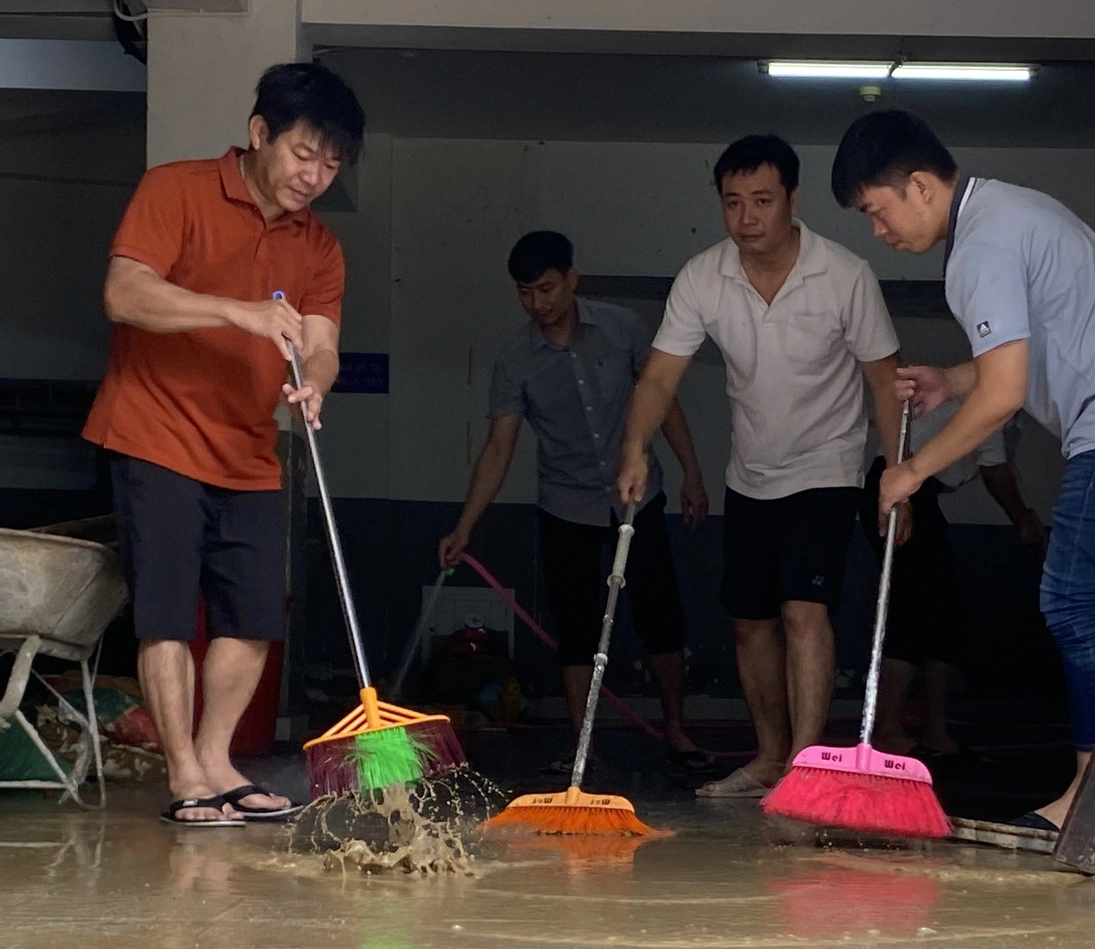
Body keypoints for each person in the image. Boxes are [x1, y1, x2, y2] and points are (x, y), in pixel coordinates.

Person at [832, 109, 1095, 833]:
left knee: (1074, 601)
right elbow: (1027, 345)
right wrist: (952, 379)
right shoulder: (1012, 208)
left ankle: (1092, 792)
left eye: (877, 213)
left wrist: (909, 470)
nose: (880, 234)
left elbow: (1006, 394)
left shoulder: (979, 248)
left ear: (919, 185)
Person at [83, 62, 363, 826]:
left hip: (248, 450)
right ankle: (184, 773)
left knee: (251, 619)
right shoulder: (175, 190)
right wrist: (235, 313)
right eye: (304, 153)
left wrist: (318, 381)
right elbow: (124, 293)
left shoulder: (321, 247)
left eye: (332, 164)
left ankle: (216, 759)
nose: (316, 175)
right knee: (167, 614)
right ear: (259, 133)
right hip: (155, 432)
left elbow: (323, 340)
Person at [618, 134, 902, 799]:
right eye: (733, 203)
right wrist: (634, 448)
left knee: (804, 609)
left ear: (793, 201)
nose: (747, 217)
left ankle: (807, 764)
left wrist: (899, 473)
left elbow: (886, 382)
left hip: (827, 466)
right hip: (750, 473)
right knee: (749, 620)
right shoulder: (702, 276)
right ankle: (770, 757)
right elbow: (659, 377)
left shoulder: (844, 275)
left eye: (763, 201)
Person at [440, 231, 714, 772]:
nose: (537, 304)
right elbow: (499, 449)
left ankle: (677, 731)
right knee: (577, 631)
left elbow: (665, 403)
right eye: (525, 293)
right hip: (567, 509)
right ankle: (582, 744)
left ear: (572, 280)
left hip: (641, 500)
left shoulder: (622, 327)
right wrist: (465, 526)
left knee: (663, 619)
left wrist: (693, 476)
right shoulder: (516, 359)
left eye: (546, 289)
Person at [858, 400, 1038, 758]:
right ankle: (888, 728)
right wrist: (1023, 518)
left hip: (918, 491)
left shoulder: (1004, 413)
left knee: (945, 608)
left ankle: (933, 730)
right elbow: (994, 471)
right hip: (903, 487)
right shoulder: (988, 399)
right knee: (913, 605)